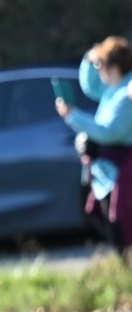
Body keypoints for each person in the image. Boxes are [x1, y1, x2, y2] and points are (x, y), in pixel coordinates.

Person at [58, 36, 132, 252]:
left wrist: (72, 116)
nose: (99, 70)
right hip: (107, 171)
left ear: (115, 67)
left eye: (101, 65)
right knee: (109, 222)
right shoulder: (113, 89)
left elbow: (109, 131)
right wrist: (90, 59)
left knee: (121, 222)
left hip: (121, 168)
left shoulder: (126, 92)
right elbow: (90, 85)